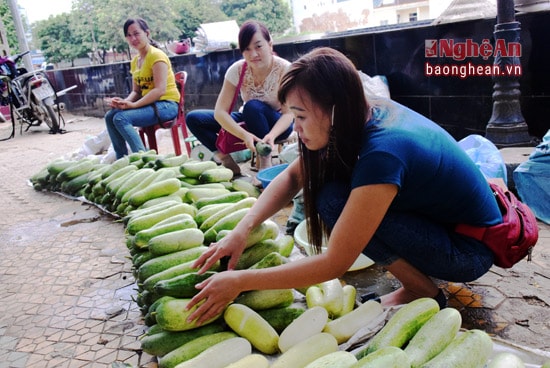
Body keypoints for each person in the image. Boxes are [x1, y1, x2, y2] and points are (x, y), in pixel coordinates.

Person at [185, 47, 502, 324]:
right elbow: (295, 176)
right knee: (332, 193)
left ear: (333, 109)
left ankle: (421, 289)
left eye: (301, 117)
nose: (296, 130)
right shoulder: (358, 114)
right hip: (441, 227)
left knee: (333, 202)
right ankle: (418, 280)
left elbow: (335, 262)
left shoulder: (384, 152)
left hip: (467, 252)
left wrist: (241, 281)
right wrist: (243, 228)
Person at [186, 20, 294, 176]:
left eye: (258, 46)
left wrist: (272, 135)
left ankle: (265, 163)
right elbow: (220, 112)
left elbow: (289, 114)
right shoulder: (237, 70)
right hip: (250, 119)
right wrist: (244, 135)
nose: (253, 54)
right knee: (194, 118)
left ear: (270, 44)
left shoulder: (285, 69)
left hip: (277, 125)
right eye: (247, 49)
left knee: (252, 107)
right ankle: (226, 160)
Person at [104, 18, 180, 159]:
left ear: (147, 33)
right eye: (129, 35)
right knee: (110, 116)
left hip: (167, 105)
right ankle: (122, 159)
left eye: (136, 33)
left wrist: (133, 105)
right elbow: (136, 91)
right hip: (150, 105)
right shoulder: (135, 61)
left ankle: (144, 160)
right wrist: (124, 103)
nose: (133, 38)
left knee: (121, 119)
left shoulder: (157, 56)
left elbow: (159, 90)